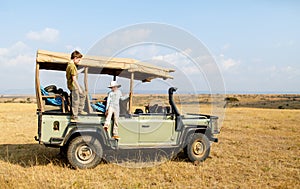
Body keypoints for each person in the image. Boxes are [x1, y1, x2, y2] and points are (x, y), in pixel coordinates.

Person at [66, 50, 86, 122]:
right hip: (73, 85)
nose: (79, 61)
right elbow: (74, 78)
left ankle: (80, 110)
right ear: (75, 58)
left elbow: (76, 73)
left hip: (73, 84)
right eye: (78, 60)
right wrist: (78, 88)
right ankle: (74, 116)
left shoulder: (71, 65)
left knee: (83, 93)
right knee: (76, 100)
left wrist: (83, 69)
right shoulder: (72, 66)